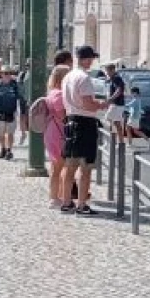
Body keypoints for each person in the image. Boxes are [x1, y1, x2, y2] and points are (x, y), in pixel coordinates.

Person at [59, 44, 102, 214]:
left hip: (71, 121)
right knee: (85, 167)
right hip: (85, 123)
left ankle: (66, 202)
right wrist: (101, 105)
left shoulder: (67, 77)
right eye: (91, 58)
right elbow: (87, 104)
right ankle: (82, 204)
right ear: (86, 59)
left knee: (70, 166)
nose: (92, 61)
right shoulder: (84, 78)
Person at [40, 63, 69, 207]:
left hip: (52, 130)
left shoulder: (51, 92)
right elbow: (64, 116)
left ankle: (57, 196)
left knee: (56, 166)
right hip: (59, 132)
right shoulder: (59, 94)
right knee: (60, 166)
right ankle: (56, 197)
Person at [0, 67, 27, 161]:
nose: (7, 75)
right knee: (1, 134)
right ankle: (3, 149)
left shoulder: (14, 85)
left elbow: (21, 97)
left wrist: (23, 110)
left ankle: (9, 150)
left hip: (11, 113)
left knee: (10, 133)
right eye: (5, 73)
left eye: (9, 73)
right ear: (1, 74)